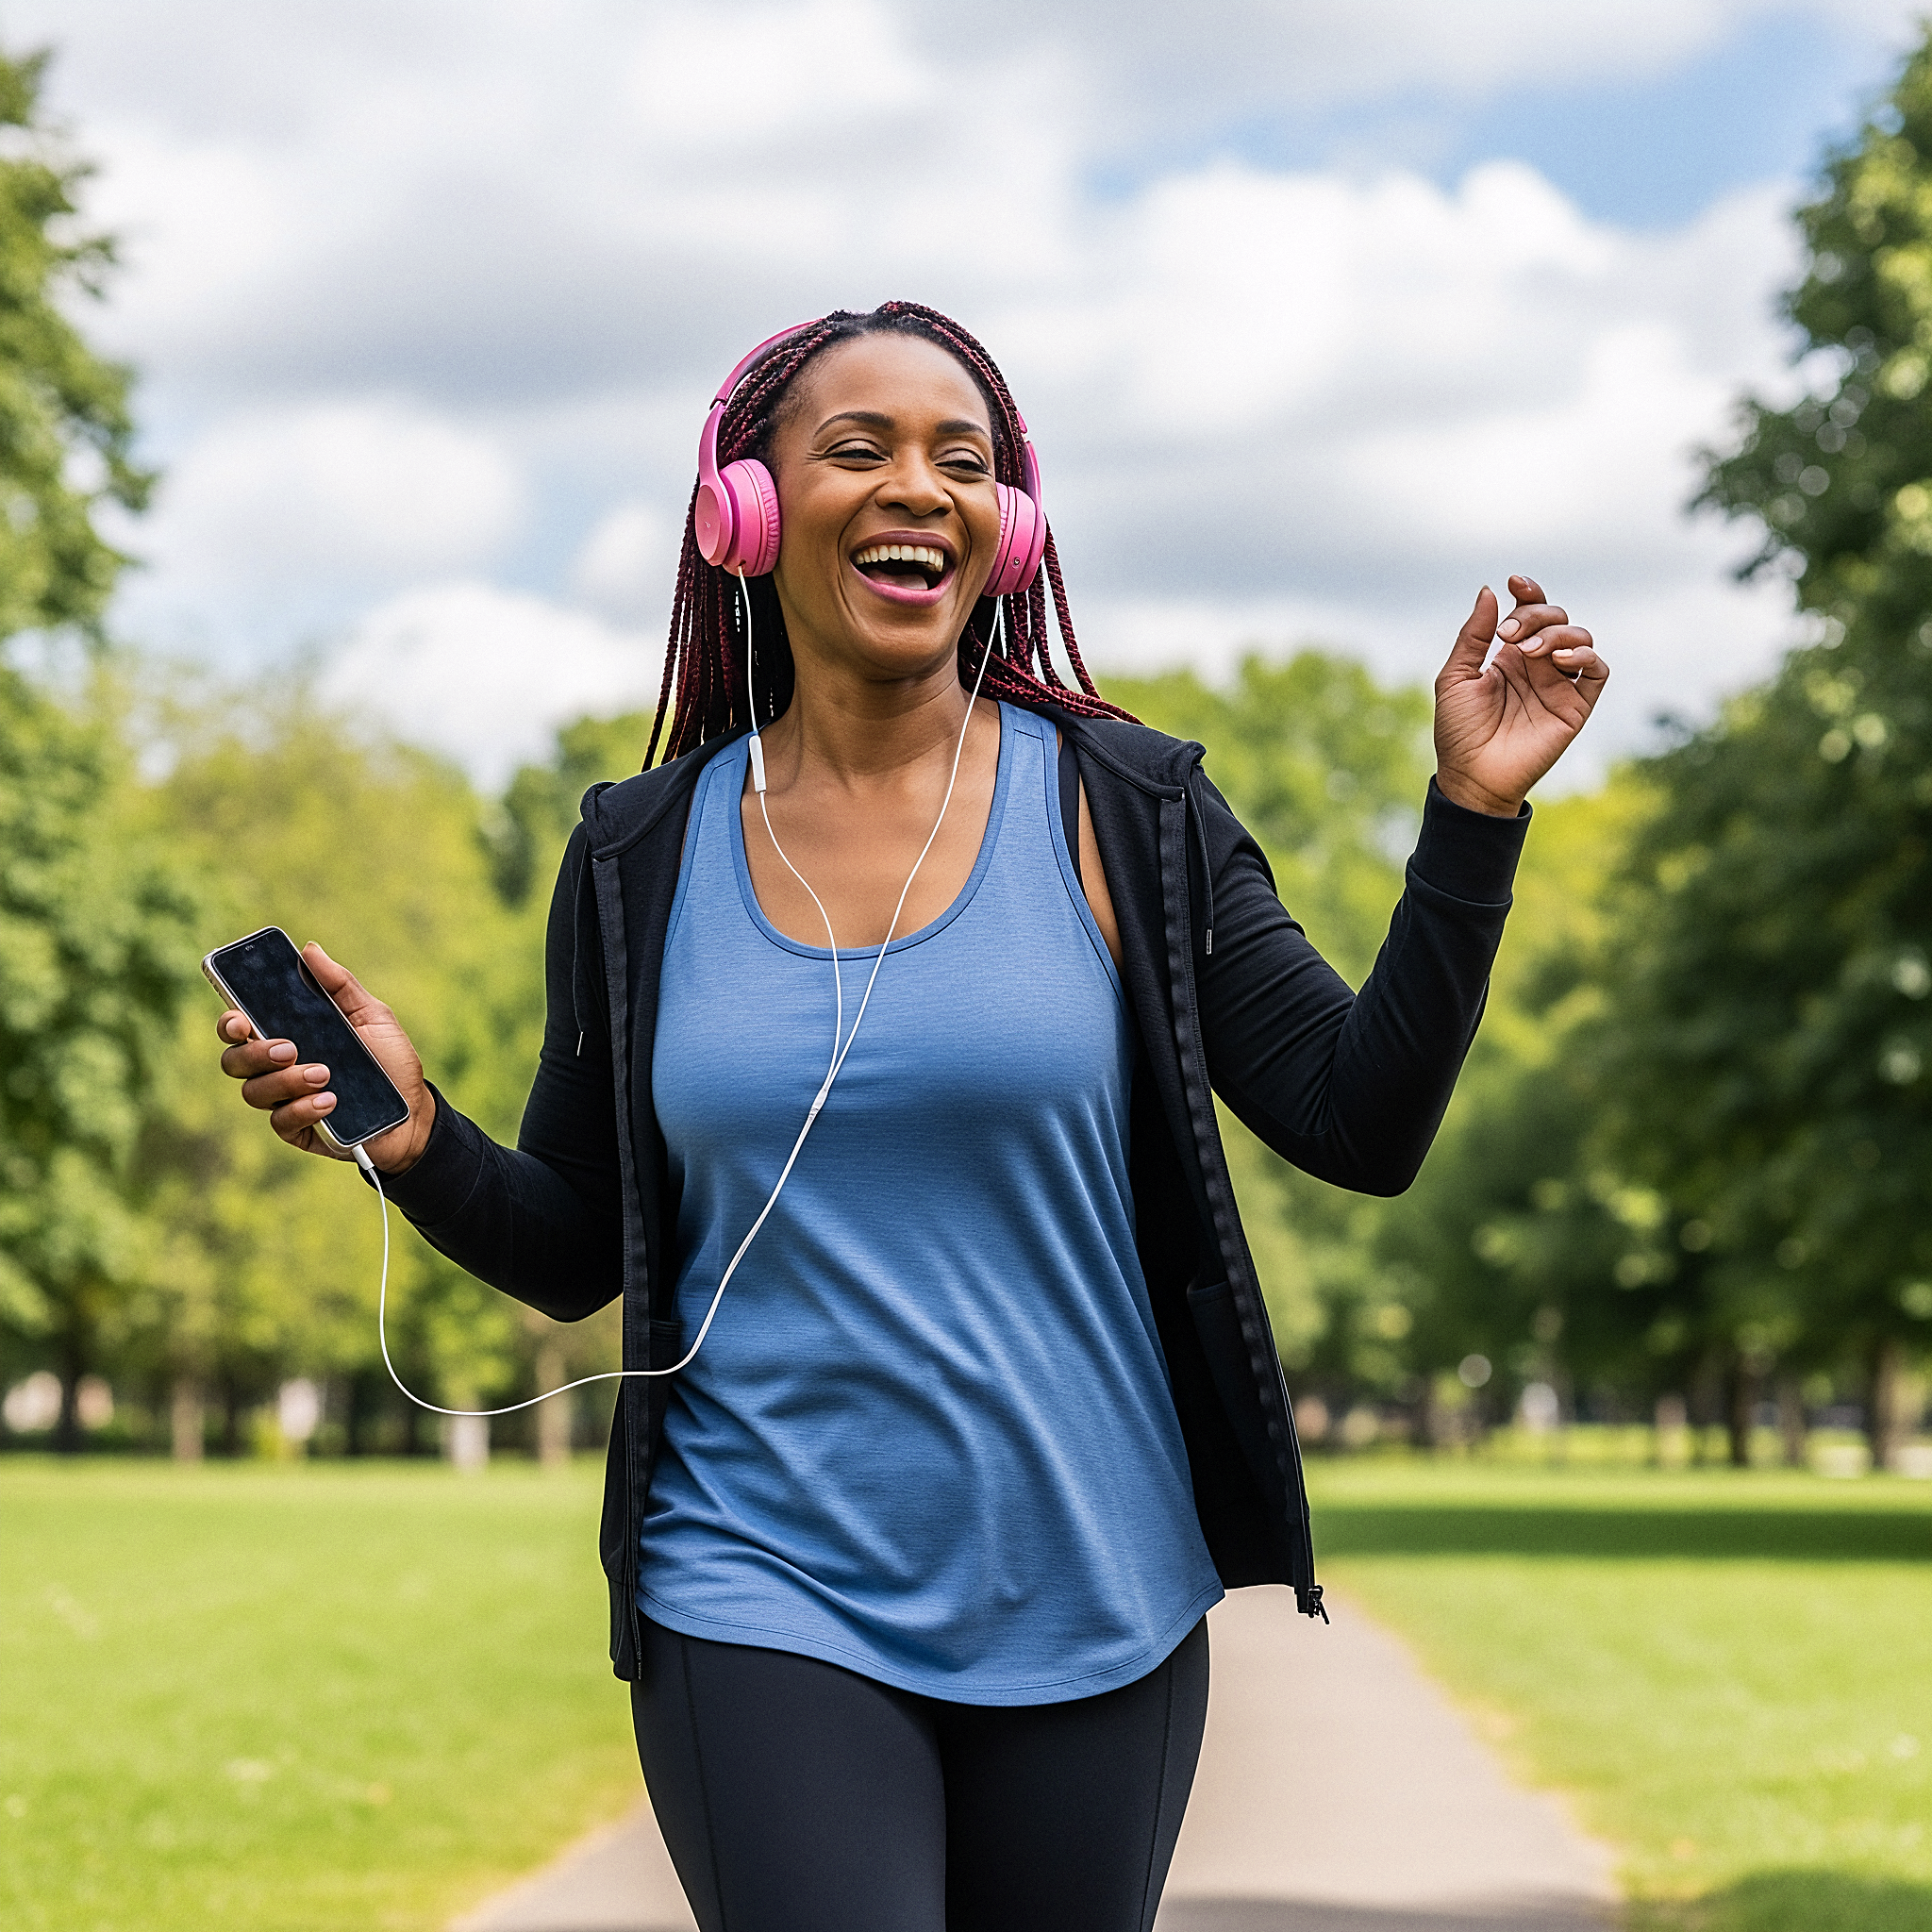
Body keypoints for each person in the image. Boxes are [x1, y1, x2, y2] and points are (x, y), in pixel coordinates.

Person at [213, 301, 1606, 1932]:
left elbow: (1358, 1123)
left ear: (1006, 532)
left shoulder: (1130, 809)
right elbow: (576, 1243)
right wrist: (406, 1131)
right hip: (754, 1580)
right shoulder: (634, 855)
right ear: (745, 513)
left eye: (963, 460)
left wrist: (1472, 820)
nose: (916, 488)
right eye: (856, 449)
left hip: (1096, 1590)